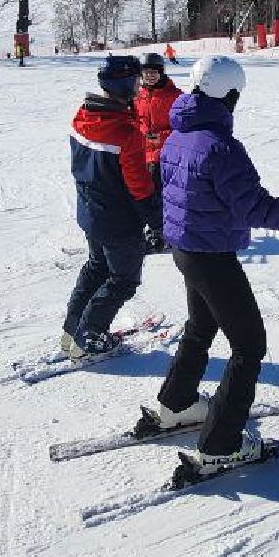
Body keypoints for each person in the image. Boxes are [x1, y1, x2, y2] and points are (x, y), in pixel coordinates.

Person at [141, 55, 279, 476]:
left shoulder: (178, 134)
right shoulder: (220, 146)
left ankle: (177, 404)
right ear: (229, 95)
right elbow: (258, 209)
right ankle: (220, 445)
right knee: (249, 346)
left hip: (186, 249)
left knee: (201, 325)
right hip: (211, 256)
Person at [62, 55, 163, 358]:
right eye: (135, 82)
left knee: (97, 267)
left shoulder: (83, 115)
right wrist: (158, 222)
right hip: (118, 221)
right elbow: (140, 188)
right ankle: (88, 336)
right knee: (123, 279)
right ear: (123, 85)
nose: (139, 87)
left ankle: (72, 330)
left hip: (91, 213)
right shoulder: (126, 134)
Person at [134, 52, 182, 200]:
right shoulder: (137, 97)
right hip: (142, 156)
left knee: (165, 196)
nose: (150, 76)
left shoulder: (175, 96)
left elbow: (184, 128)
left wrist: (161, 137)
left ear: (161, 73)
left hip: (166, 156)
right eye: (146, 72)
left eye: (154, 72)